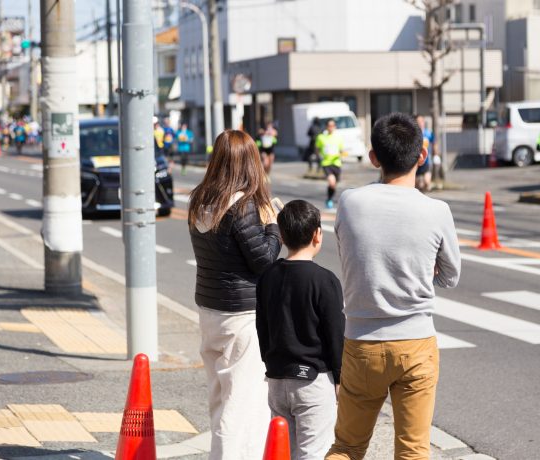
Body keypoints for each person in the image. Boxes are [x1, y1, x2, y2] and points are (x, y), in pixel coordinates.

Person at [326, 112, 461, 459]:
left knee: (347, 446)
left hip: (361, 343)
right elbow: (450, 276)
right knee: (413, 450)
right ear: (423, 155)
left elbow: (351, 253)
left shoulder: (350, 202)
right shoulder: (437, 211)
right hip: (416, 342)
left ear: (374, 158)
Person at [188, 130, 282, 460]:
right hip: (242, 318)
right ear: (249, 163)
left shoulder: (201, 199)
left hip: (210, 311)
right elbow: (264, 262)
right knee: (243, 404)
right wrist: (272, 225)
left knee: (220, 397)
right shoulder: (241, 207)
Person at [256, 199, 345, 460]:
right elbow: (335, 335)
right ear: (317, 234)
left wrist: (269, 363)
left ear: (281, 236)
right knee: (313, 453)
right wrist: (340, 379)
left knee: (283, 451)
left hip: (277, 378)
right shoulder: (324, 280)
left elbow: (262, 326)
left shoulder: (267, 276)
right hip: (313, 380)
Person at [315, 119, 345, 209]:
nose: (331, 128)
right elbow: (317, 148)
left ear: (335, 127)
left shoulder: (338, 138)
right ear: (327, 127)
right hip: (326, 163)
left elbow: (341, 151)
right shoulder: (321, 137)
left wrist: (342, 155)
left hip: (337, 163)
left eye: (333, 126)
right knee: (332, 182)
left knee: (334, 185)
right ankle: (329, 199)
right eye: (329, 126)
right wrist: (319, 157)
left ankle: (329, 198)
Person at [414, 114, 435, 193]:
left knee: (427, 182)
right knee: (417, 185)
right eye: (418, 121)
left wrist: (436, 155)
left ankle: (426, 195)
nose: (420, 123)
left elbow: (434, 143)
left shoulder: (428, 133)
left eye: (422, 121)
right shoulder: (413, 134)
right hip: (416, 161)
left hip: (426, 161)